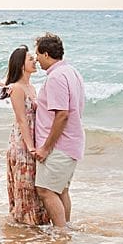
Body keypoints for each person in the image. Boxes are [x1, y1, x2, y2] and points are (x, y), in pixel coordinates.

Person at [31, 33, 85, 228]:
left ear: (46, 54)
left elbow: (62, 114)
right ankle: (65, 229)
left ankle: (61, 234)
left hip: (59, 146)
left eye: (37, 54)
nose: (36, 59)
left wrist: (45, 148)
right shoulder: (71, 71)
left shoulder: (56, 77)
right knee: (61, 190)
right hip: (72, 142)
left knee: (45, 190)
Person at [0, 45, 49, 226]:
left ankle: (35, 227)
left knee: (34, 186)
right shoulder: (17, 88)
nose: (35, 61)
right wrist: (31, 147)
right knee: (25, 186)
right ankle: (25, 229)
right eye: (30, 59)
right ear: (20, 65)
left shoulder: (31, 87)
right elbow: (22, 119)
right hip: (22, 144)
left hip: (33, 141)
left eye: (34, 58)